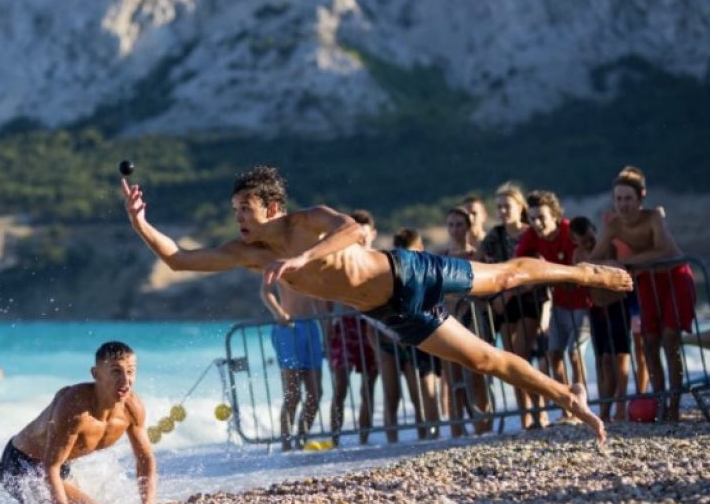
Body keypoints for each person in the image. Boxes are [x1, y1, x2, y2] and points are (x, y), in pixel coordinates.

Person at [122, 165, 632, 441]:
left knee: (505, 278)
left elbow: (350, 232)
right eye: (235, 211)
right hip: (390, 313)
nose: (239, 219)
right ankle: (569, 398)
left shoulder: (307, 220)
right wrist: (141, 222)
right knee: (485, 359)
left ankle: (581, 271)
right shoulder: (247, 252)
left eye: (245, 210)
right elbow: (178, 259)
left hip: (408, 272)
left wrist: (301, 263)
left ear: (272, 208)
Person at [0, 341, 156, 504]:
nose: (126, 381)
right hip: (21, 464)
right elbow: (51, 467)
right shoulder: (74, 408)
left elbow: (145, 457)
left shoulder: (132, 408)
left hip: (58, 464)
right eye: (116, 372)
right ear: (96, 374)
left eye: (130, 372)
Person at [592, 166, 697, 420]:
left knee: (670, 341)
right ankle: (659, 402)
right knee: (650, 345)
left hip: (676, 278)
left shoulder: (653, 217)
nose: (623, 204)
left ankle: (673, 406)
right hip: (648, 281)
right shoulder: (614, 225)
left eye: (628, 198)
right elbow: (595, 257)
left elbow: (666, 252)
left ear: (641, 197)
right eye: (618, 199)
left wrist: (628, 263)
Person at [479, 183, 548, 430]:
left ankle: (539, 411)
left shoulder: (531, 233)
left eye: (507, 206)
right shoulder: (494, 237)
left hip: (529, 300)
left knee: (522, 355)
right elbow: (484, 267)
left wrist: (508, 292)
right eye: (498, 207)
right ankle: (525, 416)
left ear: (519, 207)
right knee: (510, 361)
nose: (502, 211)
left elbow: (539, 271)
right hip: (504, 304)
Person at [517, 191, 591, 417]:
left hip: (584, 302)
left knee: (575, 354)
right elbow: (518, 262)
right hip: (559, 302)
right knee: (554, 355)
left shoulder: (570, 231)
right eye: (532, 218)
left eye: (542, 217)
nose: (537, 223)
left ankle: (583, 406)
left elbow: (587, 258)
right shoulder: (532, 235)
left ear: (556, 216)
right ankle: (568, 409)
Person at [373, 229, 440, 442]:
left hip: (412, 341)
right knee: (391, 397)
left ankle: (428, 437)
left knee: (417, 395)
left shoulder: (425, 269)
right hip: (387, 343)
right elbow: (372, 314)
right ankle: (391, 442)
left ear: (420, 250)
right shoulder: (389, 271)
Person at [324, 210, 378, 447]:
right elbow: (325, 296)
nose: (361, 240)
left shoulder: (379, 257)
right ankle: (335, 442)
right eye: (357, 235)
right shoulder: (342, 259)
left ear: (372, 234)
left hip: (371, 326)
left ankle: (364, 441)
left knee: (368, 387)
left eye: (364, 235)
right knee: (340, 388)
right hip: (345, 328)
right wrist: (327, 326)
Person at [571, 216, 631, 422]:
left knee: (620, 356)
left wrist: (589, 266)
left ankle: (621, 406)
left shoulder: (607, 248)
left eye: (591, 239)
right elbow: (574, 280)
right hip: (596, 307)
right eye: (584, 241)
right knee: (603, 360)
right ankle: (605, 409)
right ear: (576, 241)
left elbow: (617, 265)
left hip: (617, 304)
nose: (589, 244)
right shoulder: (577, 254)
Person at [441, 206, 492, 434]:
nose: (454, 229)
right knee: (452, 378)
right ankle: (456, 429)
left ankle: (483, 426)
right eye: (451, 224)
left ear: (468, 227)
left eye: (459, 224)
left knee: (477, 373)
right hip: (447, 322)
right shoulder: (441, 258)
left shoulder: (476, 256)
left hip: (474, 319)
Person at [260, 277, 323, 451]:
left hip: (311, 326)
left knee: (316, 392)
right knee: (292, 393)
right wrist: (278, 312)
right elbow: (265, 291)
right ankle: (286, 446)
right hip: (288, 327)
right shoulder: (279, 259)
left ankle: (301, 439)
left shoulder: (312, 257)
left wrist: (327, 328)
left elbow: (321, 298)